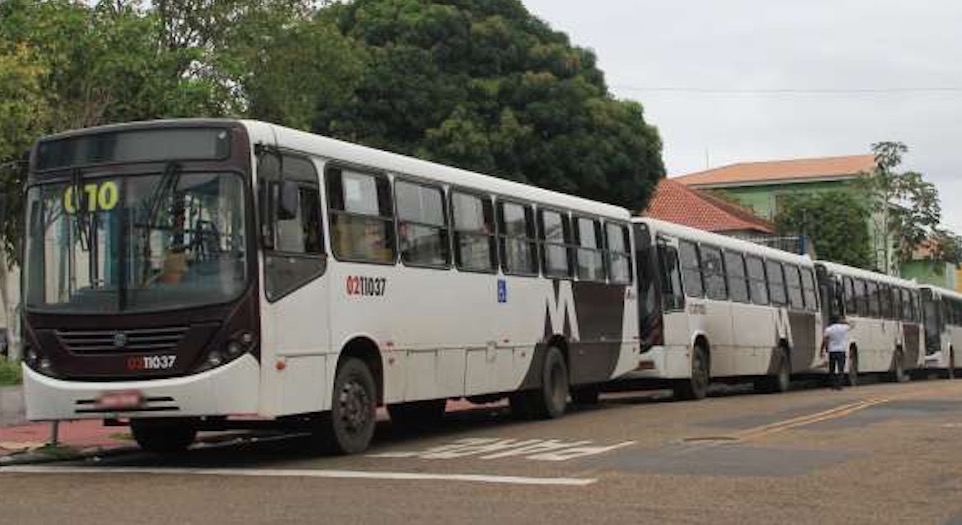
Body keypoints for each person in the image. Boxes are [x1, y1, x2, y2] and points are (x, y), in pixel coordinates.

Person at [821, 316, 853, 390]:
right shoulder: (843, 327)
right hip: (841, 351)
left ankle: (832, 385)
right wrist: (845, 322)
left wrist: (823, 349)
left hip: (832, 351)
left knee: (832, 369)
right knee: (840, 369)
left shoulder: (828, 329)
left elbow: (825, 340)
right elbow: (852, 325)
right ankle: (839, 386)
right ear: (838, 320)